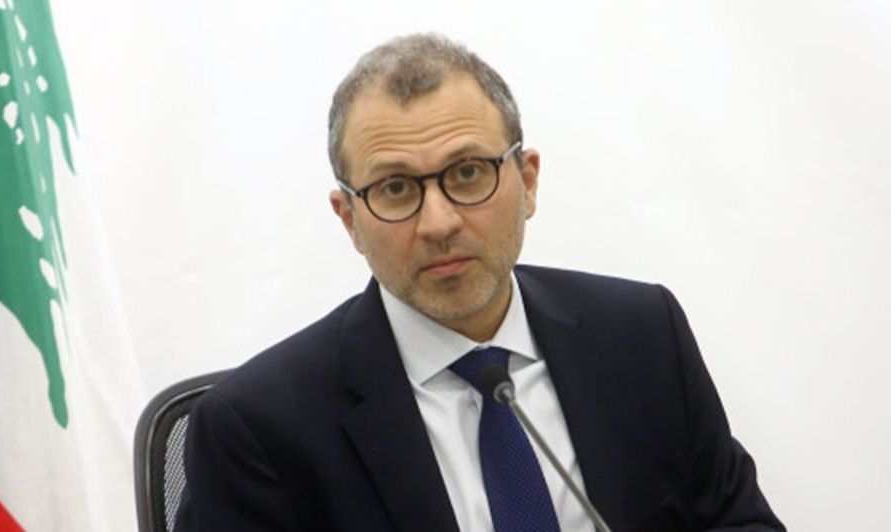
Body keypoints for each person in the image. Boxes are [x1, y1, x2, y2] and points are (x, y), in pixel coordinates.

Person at [176, 34, 783, 531]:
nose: (439, 223)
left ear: (528, 181)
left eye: (468, 173)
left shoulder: (641, 334)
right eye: (395, 188)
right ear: (350, 219)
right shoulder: (255, 428)